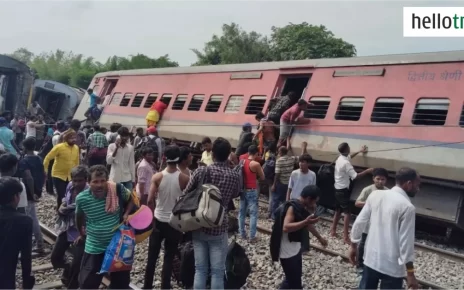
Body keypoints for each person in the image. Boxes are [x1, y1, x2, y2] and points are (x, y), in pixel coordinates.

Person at [183, 137, 240, 290]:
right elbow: (235, 194)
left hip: (199, 225)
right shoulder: (234, 175)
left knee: (200, 269)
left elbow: (185, 193)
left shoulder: (201, 171)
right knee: (217, 272)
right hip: (219, 227)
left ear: (213, 154)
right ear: (228, 155)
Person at [349, 168, 420, 290]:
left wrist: (353, 245)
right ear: (408, 184)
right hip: (392, 267)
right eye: (417, 185)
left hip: (371, 259)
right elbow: (406, 243)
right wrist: (410, 273)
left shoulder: (375, 195)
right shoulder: (407, 207)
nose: (418, 189)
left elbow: (359, 221)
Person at [76, 165, 134, 289]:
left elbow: (131, 199)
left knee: (121, 283)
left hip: (117, 246)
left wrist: (126, 213)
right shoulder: (82, 199)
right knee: (87, 282)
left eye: (103, 181)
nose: (99, 185)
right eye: (95, 181)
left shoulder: (117, 189)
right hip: (94, 246)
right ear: (88, 182)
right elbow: (79, 218)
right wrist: (81, 233)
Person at [144, 145, 190, 289]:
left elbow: (150, 200)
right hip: (174, 223)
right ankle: (165, 286)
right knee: (169, 257)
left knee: (152, 257)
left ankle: (147, 286)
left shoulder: (157, 177)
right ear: (179, 159)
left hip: (158, 221)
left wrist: (152, 217)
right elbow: (186, 200)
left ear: (164, 157)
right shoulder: (184, 178)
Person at [270, 185, 326, 290]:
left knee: (293, 279)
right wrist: (305, 221)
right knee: (294, 282)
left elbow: (308, 225)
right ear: (309, 198)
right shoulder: (292, 207)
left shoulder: (302, 207)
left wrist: (320, 238)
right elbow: (286, 227)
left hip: (295, 248)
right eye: (314, 201)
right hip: (286, 251)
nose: (315, 204)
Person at [51, 165, 88, 289]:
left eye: (80, 180)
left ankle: (71, 285)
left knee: (77, 264)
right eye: (74, 180)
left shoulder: (88, 193)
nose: (77, 183)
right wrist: (62, 205)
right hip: (67, 226)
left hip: (81, 230)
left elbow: (90, 216)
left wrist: (83, 234)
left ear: (86, 179)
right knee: (55, 257)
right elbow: (65, 200)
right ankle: (68, 268)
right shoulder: (70, 186)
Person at [331, 142, 373, 244]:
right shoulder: (346, 163)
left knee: (338, 210)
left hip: (337, 187)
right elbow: (356, 176)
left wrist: (359, 151)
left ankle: (332, 230)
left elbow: (349, 156)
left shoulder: (340, 158)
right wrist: (367, 171)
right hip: (343, 190)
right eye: (349, 147)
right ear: (346, 149)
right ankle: (346, 237)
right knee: (347, 213)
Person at [0, 177, 35, 290]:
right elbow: (26, 256)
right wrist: (27, 282)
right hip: (6, 274)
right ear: (15, 197)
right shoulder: (24, 221)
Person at [354, 167, 389, 271]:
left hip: (380, 223)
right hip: (367, 223)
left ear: (386, 180)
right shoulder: (368, 189)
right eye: (378, 179)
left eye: (383, 179)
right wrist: (370, 203)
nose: (380, 181)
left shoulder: (388, 192)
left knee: (377, 244)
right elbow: (357, 203)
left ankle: (373, 264)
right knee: (363, 243)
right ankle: (359, 264)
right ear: (373, 179)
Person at [19, 137, 46, 254]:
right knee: (32, 215)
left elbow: (29, 177)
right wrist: (40, 189)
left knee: (31, 217)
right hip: (37, 189)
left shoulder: (24, 161)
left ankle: (39, 244)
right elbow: (44, 174)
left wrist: (32, 192)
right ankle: (38, 241)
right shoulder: (39, 158)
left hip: (30, 192)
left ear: (24, 147)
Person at [270, 143, 308, 220]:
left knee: (275, 199)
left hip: (280, 182)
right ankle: (284, 215)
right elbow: (301, 157)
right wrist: (303, 148)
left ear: (280, 152)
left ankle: (274, 216)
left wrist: (274, 185)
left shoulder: (279, 161)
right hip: (288, 183)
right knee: (285, 200)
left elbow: (277, 174)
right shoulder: (291, 159)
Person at [43, 130, 80, 209]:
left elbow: (77, 162)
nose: (74, 139)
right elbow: (48, 158)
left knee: (67, 194)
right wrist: (45, 170)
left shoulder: (76, 148)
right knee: (61, 194)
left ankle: (60, 207)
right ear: (66, 138)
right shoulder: (59, 147)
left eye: (75, 137)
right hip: (58, 175)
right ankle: (61, 211)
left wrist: (77, 173)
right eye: (71, 137)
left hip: (70, 175)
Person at [238, 145, 265, 242]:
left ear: (248, 152)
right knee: (253, 214)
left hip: (242, 190)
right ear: (256, 153)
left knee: (242, 213)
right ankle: (252, 236)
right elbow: (262, 177)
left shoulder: (242, 161)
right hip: (252, 190)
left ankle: (242, 234)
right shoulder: (255, 164)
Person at [106, 126, 136, 191]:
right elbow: (109, 161)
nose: (124, 138)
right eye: (122, 136)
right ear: (118, 136)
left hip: (127, 179)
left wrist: (133, 179)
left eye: (126, 136)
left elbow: (131, 164)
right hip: (115, 178)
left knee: (128, 199)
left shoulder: (130, 148)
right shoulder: (111, 146)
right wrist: (116, 148)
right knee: (116, 200)